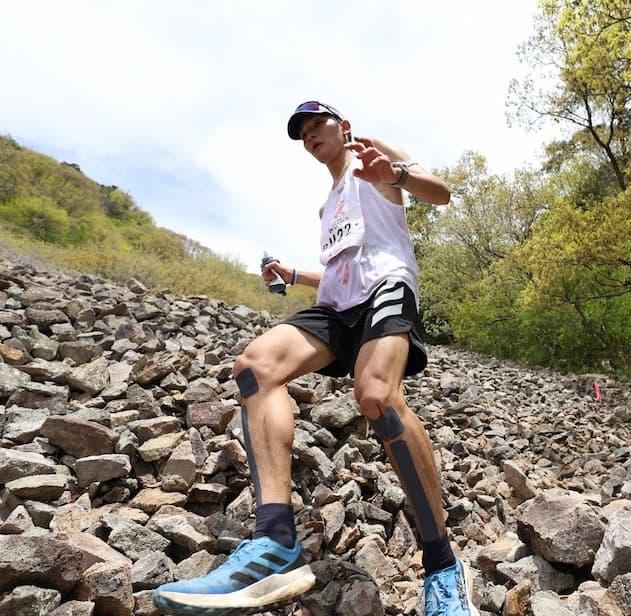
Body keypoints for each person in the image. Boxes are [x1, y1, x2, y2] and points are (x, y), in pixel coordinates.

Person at [154, 101, 479, 616]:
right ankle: (275, 542)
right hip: (336, 305)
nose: (310, 136)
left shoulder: (373, 154)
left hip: (386, 288)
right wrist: (291, 274)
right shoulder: (327, 206)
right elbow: (337, 270)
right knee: (255, 367)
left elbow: (441, 193)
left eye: (316, 125)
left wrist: (393, 174)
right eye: (302, 133)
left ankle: (442, 566)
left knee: (376, 396)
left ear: (342, 127)